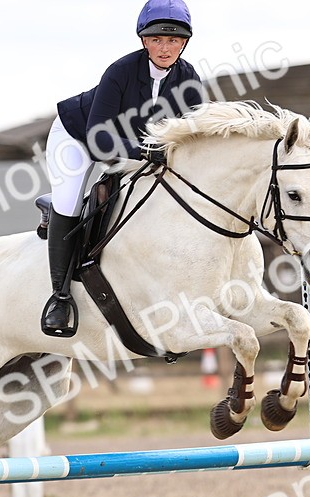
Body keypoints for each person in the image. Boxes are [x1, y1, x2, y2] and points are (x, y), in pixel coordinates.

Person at [41, 0, 204, 337]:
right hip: (78, 137)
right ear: (143, 40)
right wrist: (147, 150)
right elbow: (99, 139)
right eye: (156, 39)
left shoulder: (189, 78)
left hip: (130, 146)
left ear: (185, 42)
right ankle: (59, 298)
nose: (165, 47)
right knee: (71, 200)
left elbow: (193, 137)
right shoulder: (120, 71)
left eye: (173, 40)